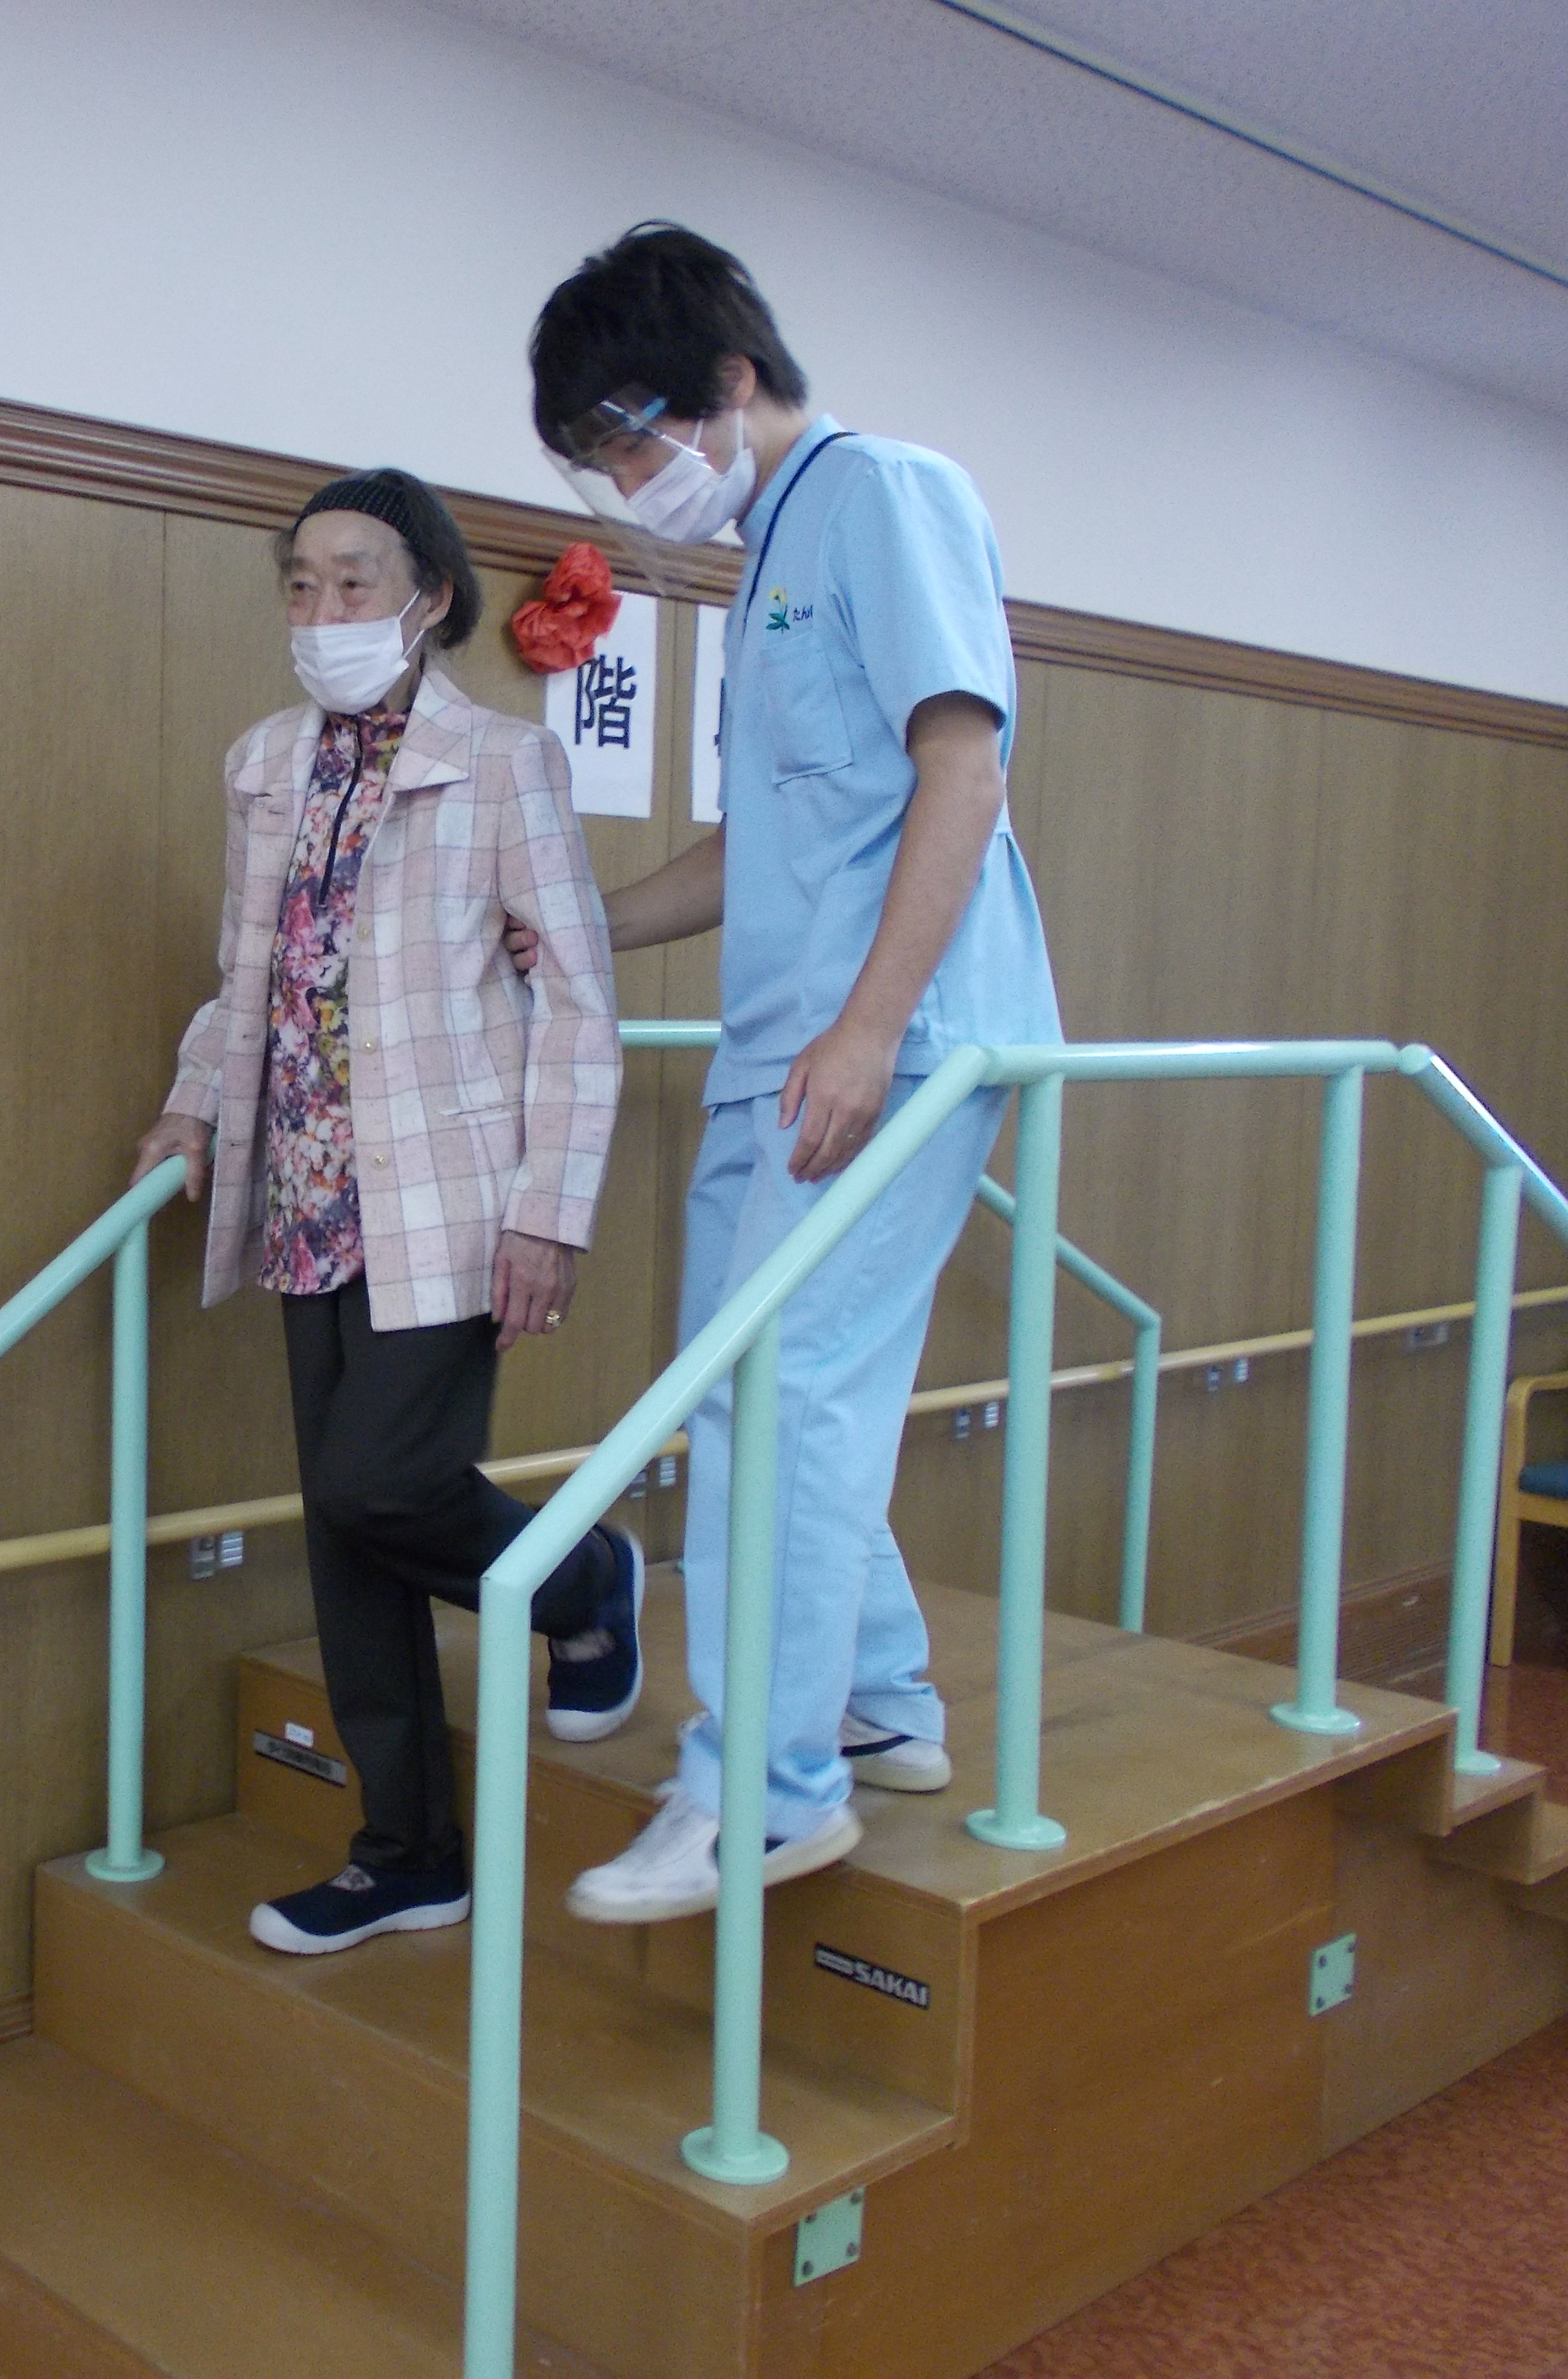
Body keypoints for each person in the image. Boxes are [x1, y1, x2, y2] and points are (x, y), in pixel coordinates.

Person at [514, 222, 1063, 1918]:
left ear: (727, 380)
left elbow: (961, 772)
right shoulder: (764, 565)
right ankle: (880, 1700)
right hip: (788, 1044)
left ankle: (764, 1789)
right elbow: (765, 844)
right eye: (597, 465)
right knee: (744, 1382)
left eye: (627, 444)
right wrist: (576, 928)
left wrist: (873, 1028)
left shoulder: (888, 493)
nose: (626, 489)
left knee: (783, 1397)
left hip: (894, 1040)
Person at [133, 469, 645, 1957]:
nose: (321, 611)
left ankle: (585, 1575)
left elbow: (580, 1002)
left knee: (380, 1485)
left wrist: (553, 1210)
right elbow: (249, 976)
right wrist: (193, 1103)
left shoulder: (503, 764)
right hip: (304, 1180)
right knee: (344, 1538)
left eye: (354, 582)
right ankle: (406, 1853)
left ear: (428, 597)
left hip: (449, 1190)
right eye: (301, 584)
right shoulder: (264, 764)